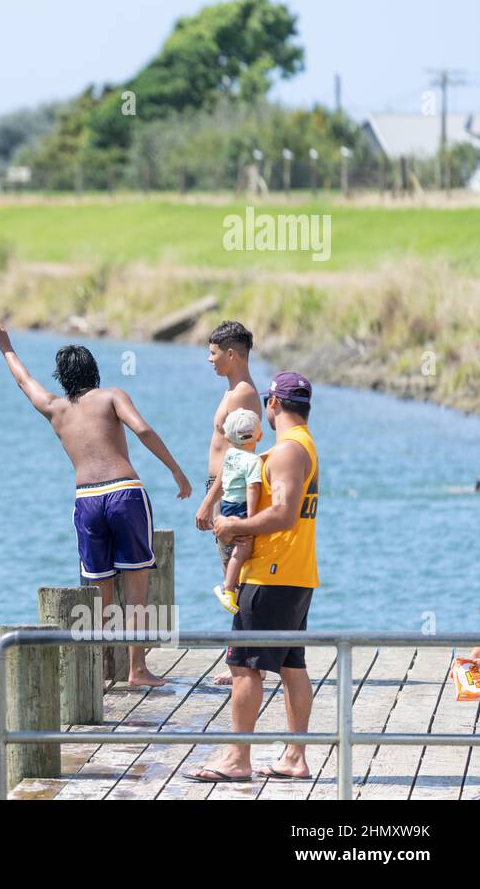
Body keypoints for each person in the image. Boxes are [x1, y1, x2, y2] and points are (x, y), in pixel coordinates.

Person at [0, 318, 192, 687]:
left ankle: (97, 675)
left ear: (62, 378)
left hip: (87, 501)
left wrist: (5, 346)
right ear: (93, 371)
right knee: (137, 589)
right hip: (125, 493)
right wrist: (176, 471)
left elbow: (23, 381)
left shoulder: (54, 407)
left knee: (99, 594)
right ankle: (137, 670)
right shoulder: (112, 396)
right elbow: (142, 429)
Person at [184, 372, 320, 783]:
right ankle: (295, 758)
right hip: (296, 574)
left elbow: (283, 512)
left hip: (270, 575)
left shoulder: (287, 452)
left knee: (244, 666)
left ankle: (236, 759)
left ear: (274, 404)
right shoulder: (301, 446)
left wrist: (232, 527)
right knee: (292, 665)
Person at [195, 321, 261, 679]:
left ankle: (246, 660)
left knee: (236, 578)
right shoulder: (232, 390)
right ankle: (241, 656)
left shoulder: (244, 396)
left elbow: (239, 455)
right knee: (230, 577)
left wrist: (209, 500)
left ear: (231, 354)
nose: (210, 360)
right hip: (222, 487)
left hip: (230, 491)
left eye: (214, 353)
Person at [213, 407, 263, 614]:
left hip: (226, 506)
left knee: (230, 548)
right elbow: (252, 488)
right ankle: (228, 589)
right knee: (243, 547)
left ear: (228, 436)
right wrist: (251, 519)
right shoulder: (253, 461)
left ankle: (230, 585)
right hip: (241, 508)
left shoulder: (230, 455)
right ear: (259, 436)